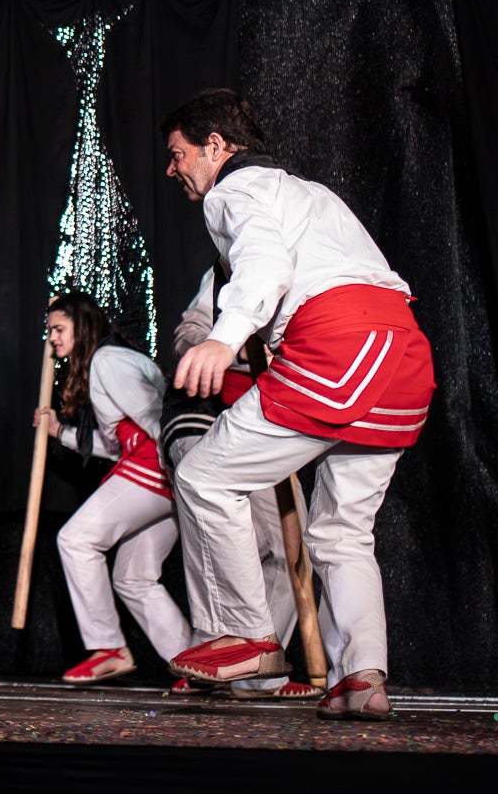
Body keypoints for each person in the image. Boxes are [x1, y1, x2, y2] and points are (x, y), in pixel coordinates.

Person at [161, 89, 435, 721]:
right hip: (403, 355)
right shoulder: (310, 194)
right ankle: (360, 679)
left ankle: (247, 634)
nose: (172, 170)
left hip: (341, 347)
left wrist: (223, 339)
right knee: (341, 531)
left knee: (203, 475)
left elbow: (265, 260)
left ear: (216, 146)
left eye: (178, 155)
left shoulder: (237, 191)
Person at [158, 268, 321, 702]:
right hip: (207, 413)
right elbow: (188, 331)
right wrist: (221, 348)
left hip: (270, 416)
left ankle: (257, 675)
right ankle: (217, 658)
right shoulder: (228, 265)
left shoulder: (308, 268)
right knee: (221, 521)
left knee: (291, 548)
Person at [32, 291, 190, 684]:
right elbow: (116, 442)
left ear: (81, 325)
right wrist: (60, 431)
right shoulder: (110, 360)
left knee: (75, 540)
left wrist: (186, 472)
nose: (51, 337)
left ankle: (108, 648)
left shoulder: (108, 360)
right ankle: (192, 664)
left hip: (158, 469)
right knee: (133, 578)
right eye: (49, 330)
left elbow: (157, 420)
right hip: (164, 473)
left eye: (58, 328)